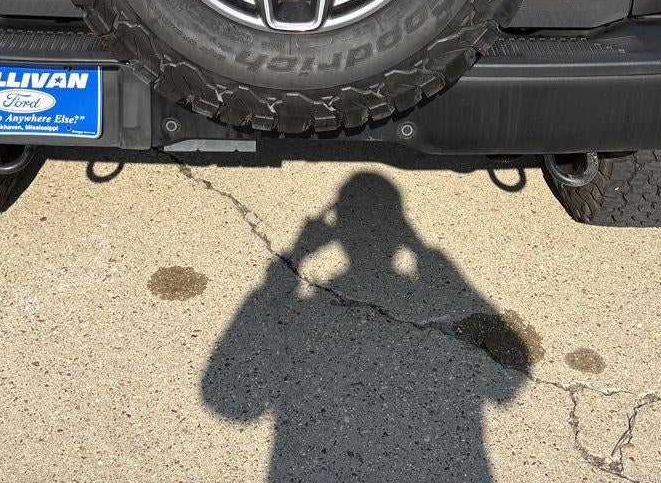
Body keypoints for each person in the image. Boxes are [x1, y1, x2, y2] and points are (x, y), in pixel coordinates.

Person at [202, 172, 526, 482]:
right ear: (399, 234)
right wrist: (423, 251)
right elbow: (506, 386)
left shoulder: (308, 312)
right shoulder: (398, 291)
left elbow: (226, 400)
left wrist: (296, 255)